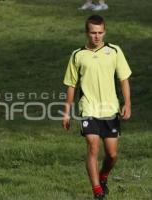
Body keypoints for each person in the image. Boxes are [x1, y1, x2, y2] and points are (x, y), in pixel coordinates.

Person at [62, 15, 131, 200]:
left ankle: (104, 176)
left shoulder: (114, 51)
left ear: (105, 32)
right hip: (89, 109)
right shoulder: (77, 55)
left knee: (112, 154)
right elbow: (71, 85)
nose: (97, 36)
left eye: (100, 32)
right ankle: (97, 191)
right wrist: (66, 113)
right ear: (87, 33)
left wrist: (128, 103)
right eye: (93, 33)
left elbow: (123, 79)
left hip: (110, 110)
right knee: (93, 147)